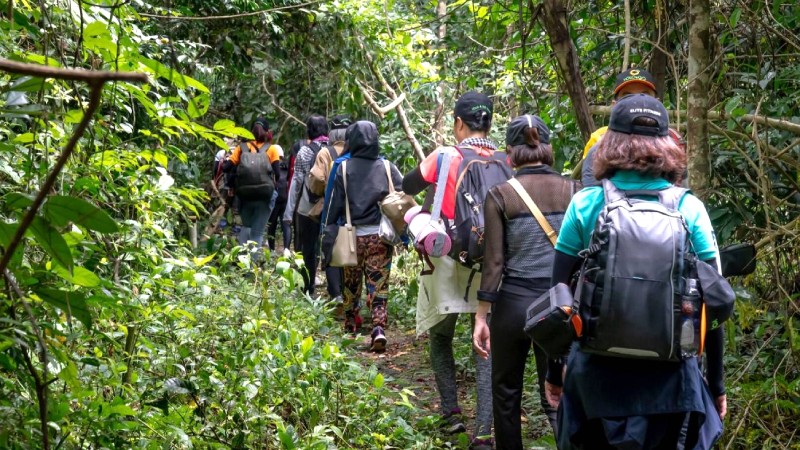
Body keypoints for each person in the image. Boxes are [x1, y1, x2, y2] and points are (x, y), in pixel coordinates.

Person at [548, 94, 726, 449]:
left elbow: (558, 295)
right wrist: (716, 385)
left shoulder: (586, 203)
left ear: (610, 142)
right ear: (666, 145)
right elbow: (716, 306)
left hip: (595, 380)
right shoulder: (690, 208)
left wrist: (556, 372)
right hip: (673, 382)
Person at [402, 91, 504, 449]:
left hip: (446, 256)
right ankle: (485, 432)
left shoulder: (445, 155)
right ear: (488, 123)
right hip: (490, 265)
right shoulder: (505, 160)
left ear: (459, 123)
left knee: (441, 337)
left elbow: (407, 186)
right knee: (485, 346)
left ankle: (451, 415)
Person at [472, 115, 579, 449]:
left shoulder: (500, 195)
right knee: (563, 390)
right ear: (547, 149)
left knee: (506, 393)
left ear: (509, 153)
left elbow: (494, 262)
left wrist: (481, 315)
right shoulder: (575, 191)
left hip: (514, 306)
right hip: (559, 306)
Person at [324, 121, 402, 351]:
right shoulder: (387, 166)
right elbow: (401, 198)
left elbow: (332, 207)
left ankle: (350, 325)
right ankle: (378, 328)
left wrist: (327, 236)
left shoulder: (343, 168)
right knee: (379, 284)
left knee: (350, 283)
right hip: (381, 237)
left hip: (351, 237)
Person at [579, 68, 658, 187]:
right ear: (615, 105)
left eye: (644, 95)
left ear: (657, 103)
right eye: (628, 97)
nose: (636, 101)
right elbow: (590, 184)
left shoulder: (669, 139)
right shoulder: (599, 138)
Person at [284, 115, 330, 295]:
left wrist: (289, 212)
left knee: (307, 247)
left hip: (307, 207)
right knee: (328, 244)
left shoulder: (304, 151)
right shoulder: (333, 150)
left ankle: (307, 286)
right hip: (328, 206)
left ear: (309, 130)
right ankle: (335, 288)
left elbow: (297, 182)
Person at [310, 114, 353, 304]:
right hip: (355, 210)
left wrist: (320, 191)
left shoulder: (325, 153)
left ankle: (335, 293)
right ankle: (351, 293)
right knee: (351, 248)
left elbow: (317, 179)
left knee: (331, 247)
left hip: (332, 208)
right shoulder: (357, 152)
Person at [223, 118, 281, 252]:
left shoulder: (241, 148)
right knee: (257, 233)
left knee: (246, 227)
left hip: (244, 195)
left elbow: (227, 167)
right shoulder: (271, 149)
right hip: (264, 196)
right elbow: (277, 173)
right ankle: (252, 268)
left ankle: (243, 263)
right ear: (267, 132)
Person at [267, 145, 291, 255]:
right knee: (286, 224)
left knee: (272, 223)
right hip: (286, 197)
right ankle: (286, 249)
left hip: (275, 198)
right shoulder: (287, 166)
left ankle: (272, 250)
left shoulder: (271, 166)